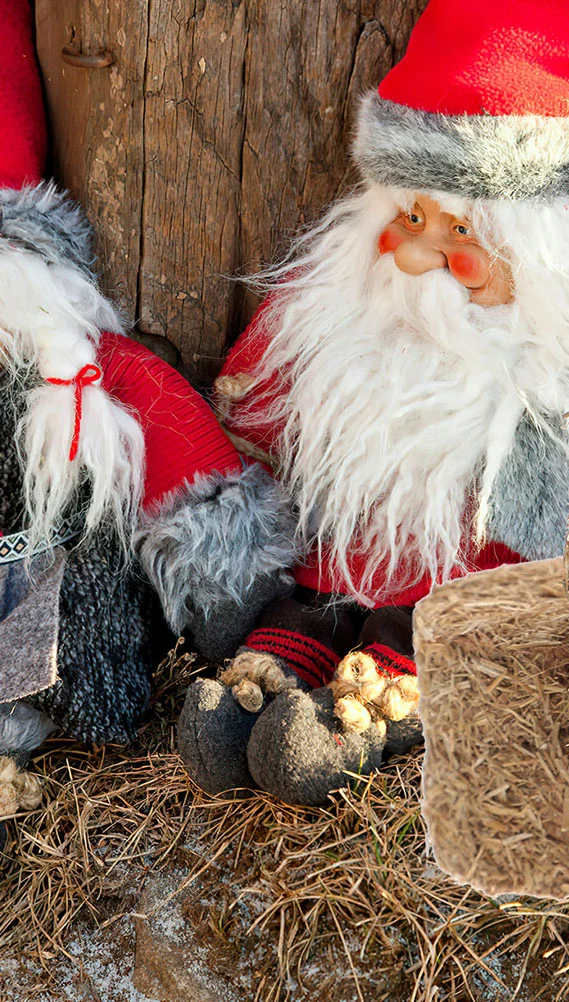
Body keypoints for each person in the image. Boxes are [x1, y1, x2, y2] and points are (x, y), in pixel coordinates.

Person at [178, 0, 569, 805]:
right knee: (311, 599)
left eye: (453, 230)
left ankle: (382, 693)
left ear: (543, 243)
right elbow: (254, 401)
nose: (412, 252)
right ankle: (289, 654)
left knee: (439, 624)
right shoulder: (339, 311)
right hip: (339, 555)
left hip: (481, 588)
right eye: (406, 217)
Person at [0, 0, 295, 818]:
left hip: (63, 610)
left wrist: (229, 596)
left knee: (69, 635)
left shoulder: (84, 375)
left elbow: (178, 440)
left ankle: (54, 709)